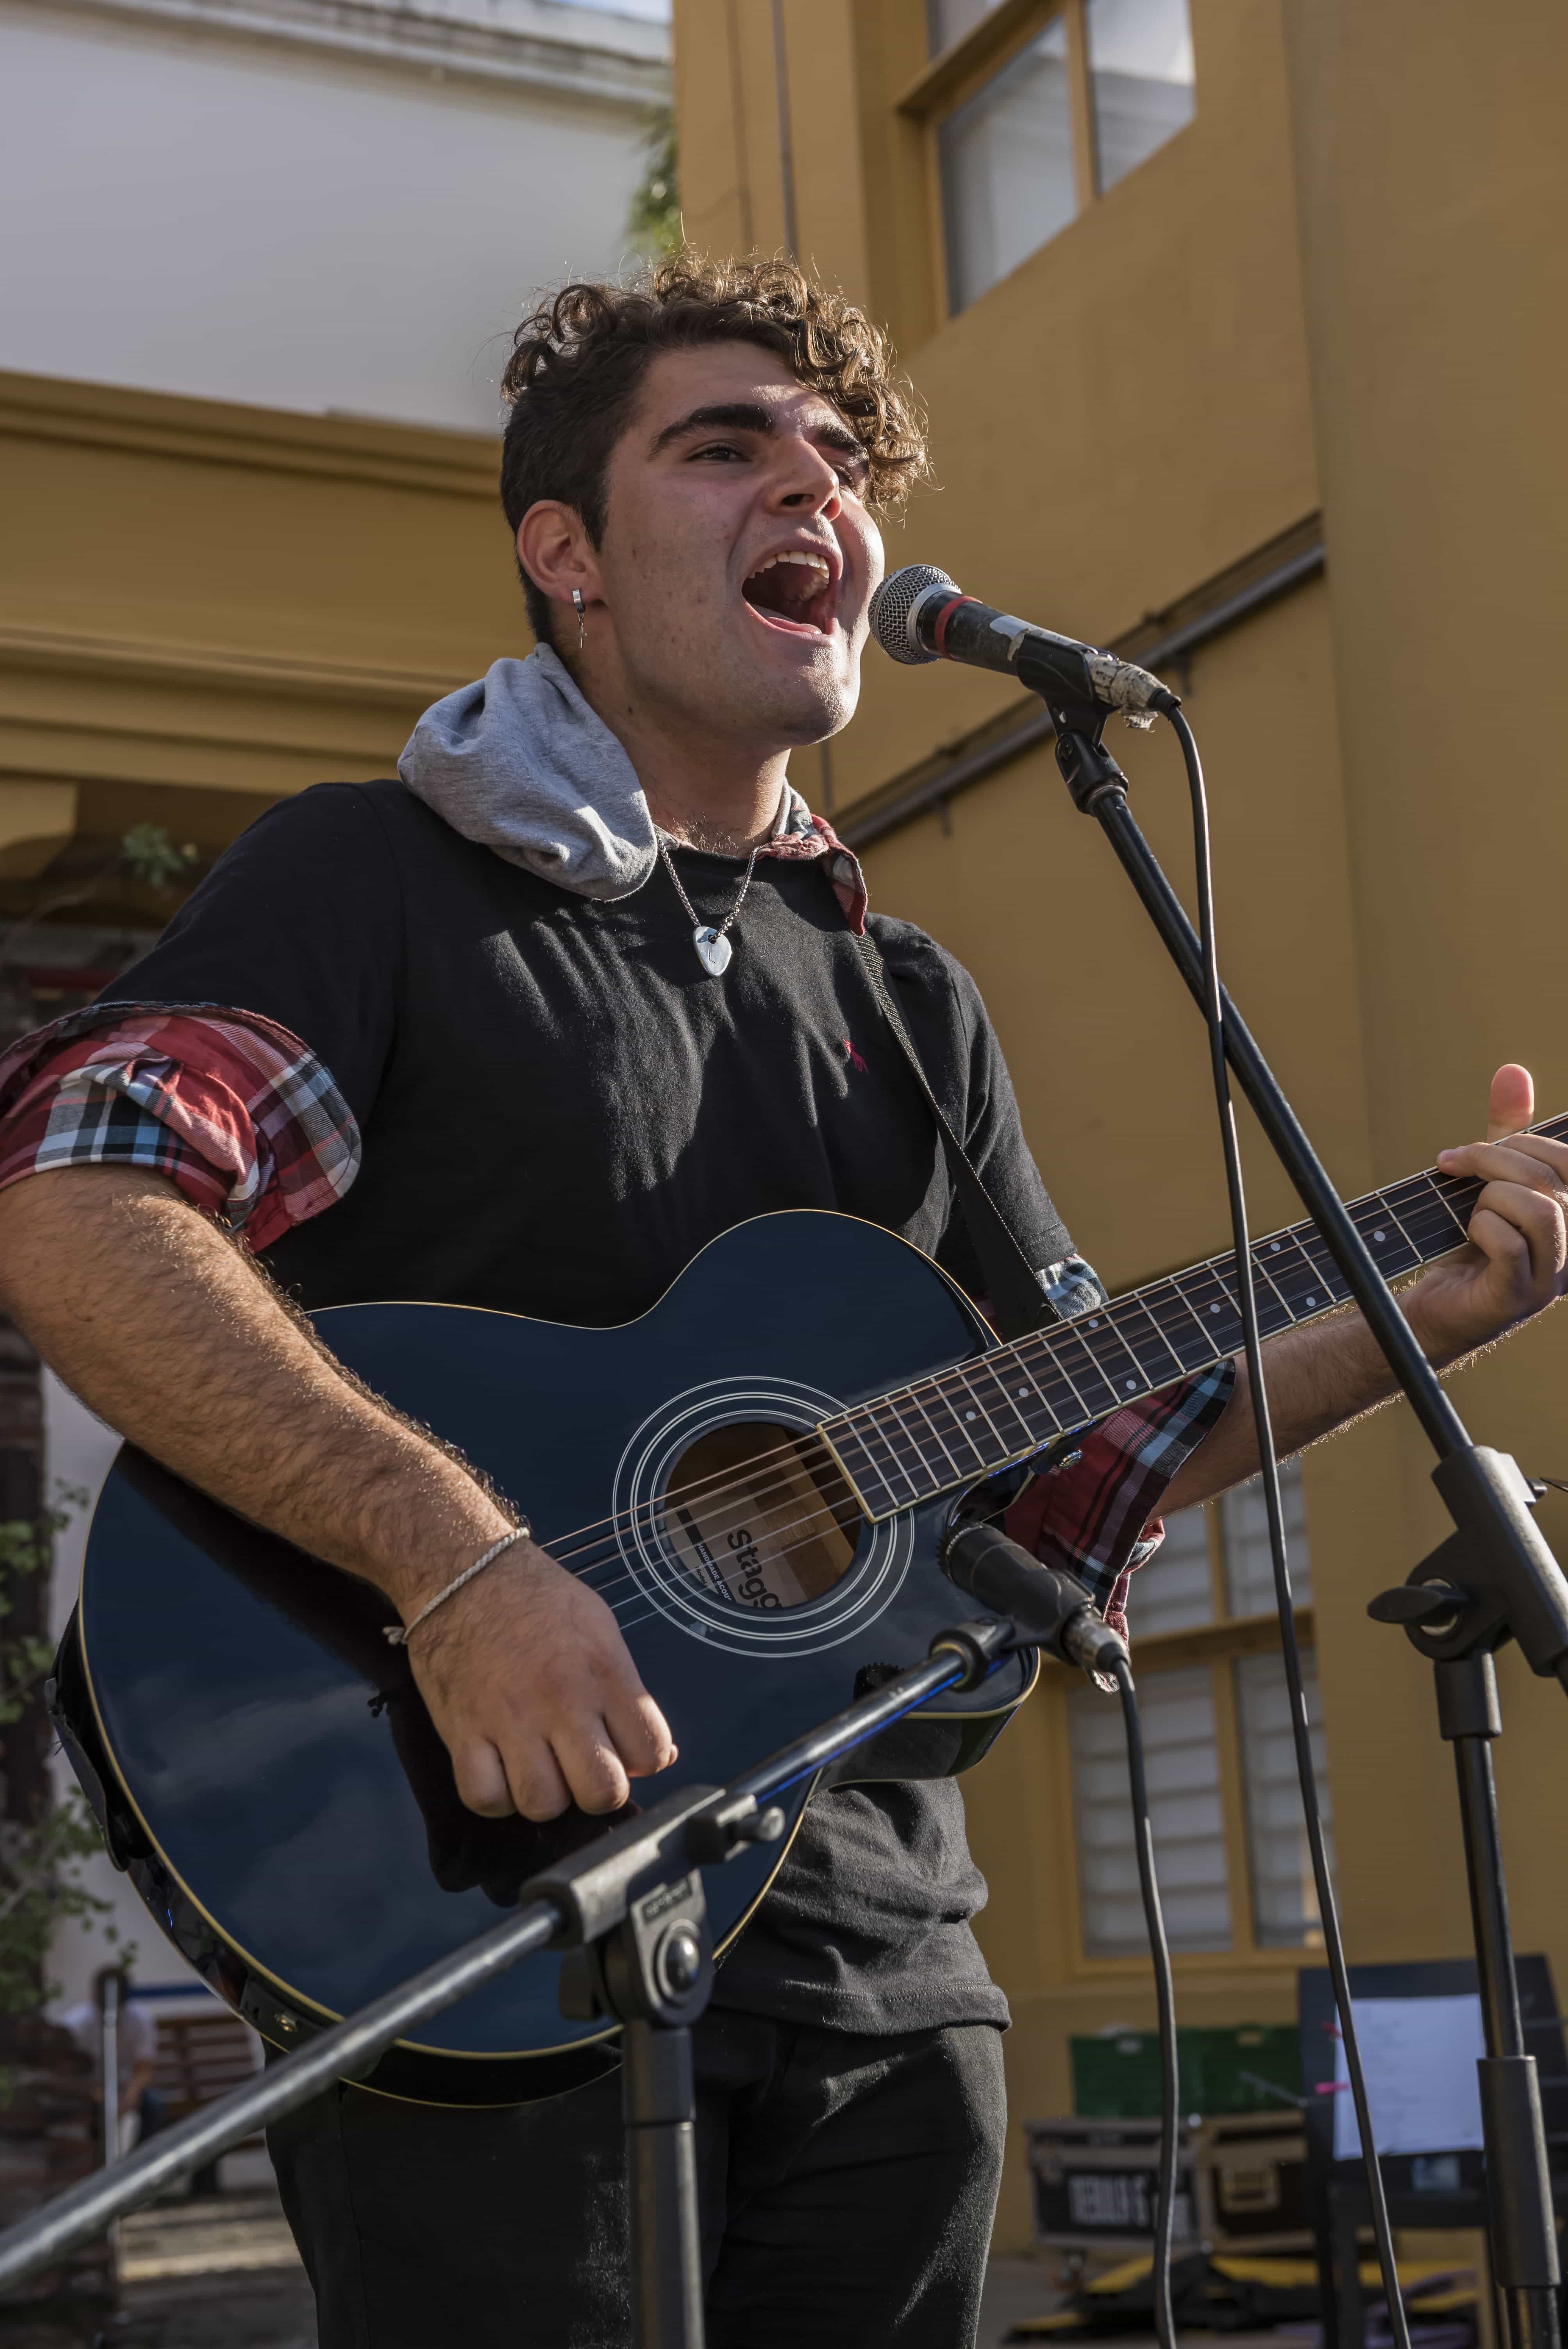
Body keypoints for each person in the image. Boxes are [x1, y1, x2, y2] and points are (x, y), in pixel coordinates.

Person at [0, 257, 1563, 2347]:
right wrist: (459, 1564)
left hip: (886, 1961)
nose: (807, 487)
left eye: (841, 459)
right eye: (724, 447)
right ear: (566, 554)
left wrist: (1433, 1307)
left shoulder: (910, 1001)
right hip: (491, 1914)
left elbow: (1083, 1452)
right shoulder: (371, 880)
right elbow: (81, 1202)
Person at [61, 1966, 163, 2149]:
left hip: (127, 2089)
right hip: (90, 2091)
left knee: (154, 2104)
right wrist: (97, 2094)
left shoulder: (140, 2020)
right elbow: (70, 2073)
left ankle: (143, 2164)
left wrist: (133, 2093)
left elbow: (145, 2068)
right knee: (87, 2113)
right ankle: (100, 2170)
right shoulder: (76, 2024)